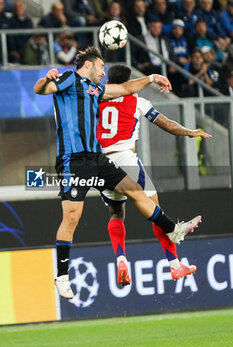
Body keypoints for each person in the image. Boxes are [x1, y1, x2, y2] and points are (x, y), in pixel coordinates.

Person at [34, 46, 202, 299]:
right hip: (73, 161)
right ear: (88, 65)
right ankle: (62, 276)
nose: (103, 72)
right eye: (101, 67)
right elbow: (41, 90)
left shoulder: (97, 90)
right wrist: (46, 79)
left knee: (134, 190)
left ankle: (173, 229)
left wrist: (152, 78)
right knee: (72, 217)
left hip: (98, 158)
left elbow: (124, 88)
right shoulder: (69, 78)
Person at [97, 64, 211, 286]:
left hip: (103, 161)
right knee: (154, 208)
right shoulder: (137, 101)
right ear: (129, 83)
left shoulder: (98, 99)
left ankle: (121, 259)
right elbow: (166, 124)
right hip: (126, 159)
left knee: (116, 213)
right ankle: (175, 263)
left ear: (109, 82)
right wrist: (190, 132)